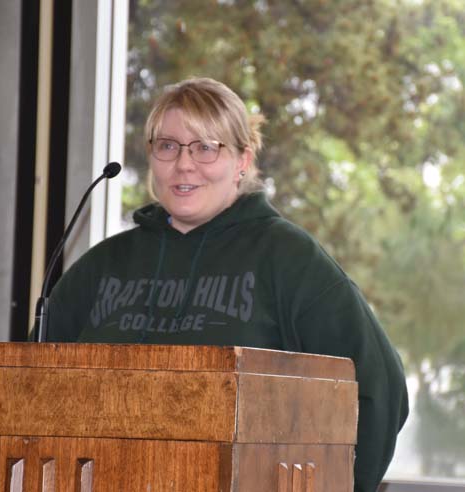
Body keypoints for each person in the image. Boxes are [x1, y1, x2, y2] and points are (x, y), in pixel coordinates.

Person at [46, 77, 408, 491]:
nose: (184, 164)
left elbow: (380, 388)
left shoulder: (287, 258)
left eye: (206, 147)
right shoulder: (103, 267)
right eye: (168, 146)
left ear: (242, 161)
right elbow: (23, 387)